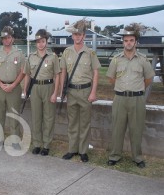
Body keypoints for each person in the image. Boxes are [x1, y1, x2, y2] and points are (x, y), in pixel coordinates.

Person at [106, 23, 155, 168]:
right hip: (120, 98)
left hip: (137, 99)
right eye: (126, 40)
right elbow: (110, 78)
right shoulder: (116, 59)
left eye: (131, 40)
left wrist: (137, 89)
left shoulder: (143, 59)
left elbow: (148, 79)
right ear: (123, 42)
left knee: (137, 129)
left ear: (136, 42)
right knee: (117, 129)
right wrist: (123, 88)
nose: (128, 43)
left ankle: (137, 157)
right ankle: (114, 155)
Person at [60, 19, 101, 162]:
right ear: (72, 36)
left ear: (84, 36)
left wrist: (93, 92)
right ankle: (72, 149)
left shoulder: (90, 53)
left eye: (80, 34)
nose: (77, 37)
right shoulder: (66, 52)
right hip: (71, 91)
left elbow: (96, 73)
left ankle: (83, 151)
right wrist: (62, 91)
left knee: (84, 122)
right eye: (75, 34)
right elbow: (63, 72)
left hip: (85, 91)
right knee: (72, 122)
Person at [0, 26, 25, 150]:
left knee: (14, 114)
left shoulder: (19, 54)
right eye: (4, 38)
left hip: (14, 87)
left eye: (8, 37)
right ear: (2, 40)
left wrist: (13, 85)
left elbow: (23, 72)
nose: (6, 40)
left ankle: (15, 141)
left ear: (12, 38)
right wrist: (0, 84)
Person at [23, 29, 60, 156]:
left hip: (48, 87)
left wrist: (56, 93)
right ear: (35, 43)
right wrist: (25, 89)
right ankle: (37, 144)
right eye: (38, 42)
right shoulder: (30, 57)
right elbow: (27, 74)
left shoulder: (53, 57)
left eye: (43, 41)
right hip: (35, 88)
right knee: (36, 117)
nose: (40, 44)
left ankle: (46, 145)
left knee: (48, 117)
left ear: (46, 42)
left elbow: (57, 76)